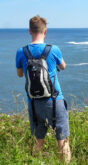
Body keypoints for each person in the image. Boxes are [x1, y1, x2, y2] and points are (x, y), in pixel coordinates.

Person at [15, 15, 71, 162]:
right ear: (45, 31)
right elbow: (63, 67)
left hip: (34, 103)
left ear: (29, 31)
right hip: (55, 101)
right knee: (62, 141)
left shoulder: (21, 52)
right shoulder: (54, 49)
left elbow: (20, 74)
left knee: (38, 141)